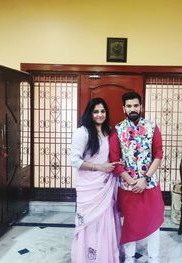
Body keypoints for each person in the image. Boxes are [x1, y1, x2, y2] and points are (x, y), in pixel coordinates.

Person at [109, 91, 164, 263]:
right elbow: (114, 160)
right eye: (129, 106)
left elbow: (158, 154)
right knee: (130, 222)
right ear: (123, 108)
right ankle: (130, 257)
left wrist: (145, 179)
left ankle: (154, 258)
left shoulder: (152, 127)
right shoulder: (117, 130)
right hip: (128, 186)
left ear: (141, 106)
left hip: (149, 183)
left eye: (135, 105)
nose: (133, 109)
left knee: (154, 220)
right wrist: (132, 181)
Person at [70, 97, 121, 263]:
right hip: (89, 186)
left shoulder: (109, 132)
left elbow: (109, 156)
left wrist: (116, 163)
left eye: (103, 111)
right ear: (90, 113)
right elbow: (75, 161)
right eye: (96, 111)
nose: (100, 115)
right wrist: (100, 168)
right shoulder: (83, 132)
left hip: (105, 185)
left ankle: (104, 257)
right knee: (90, 223)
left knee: (105, 220)